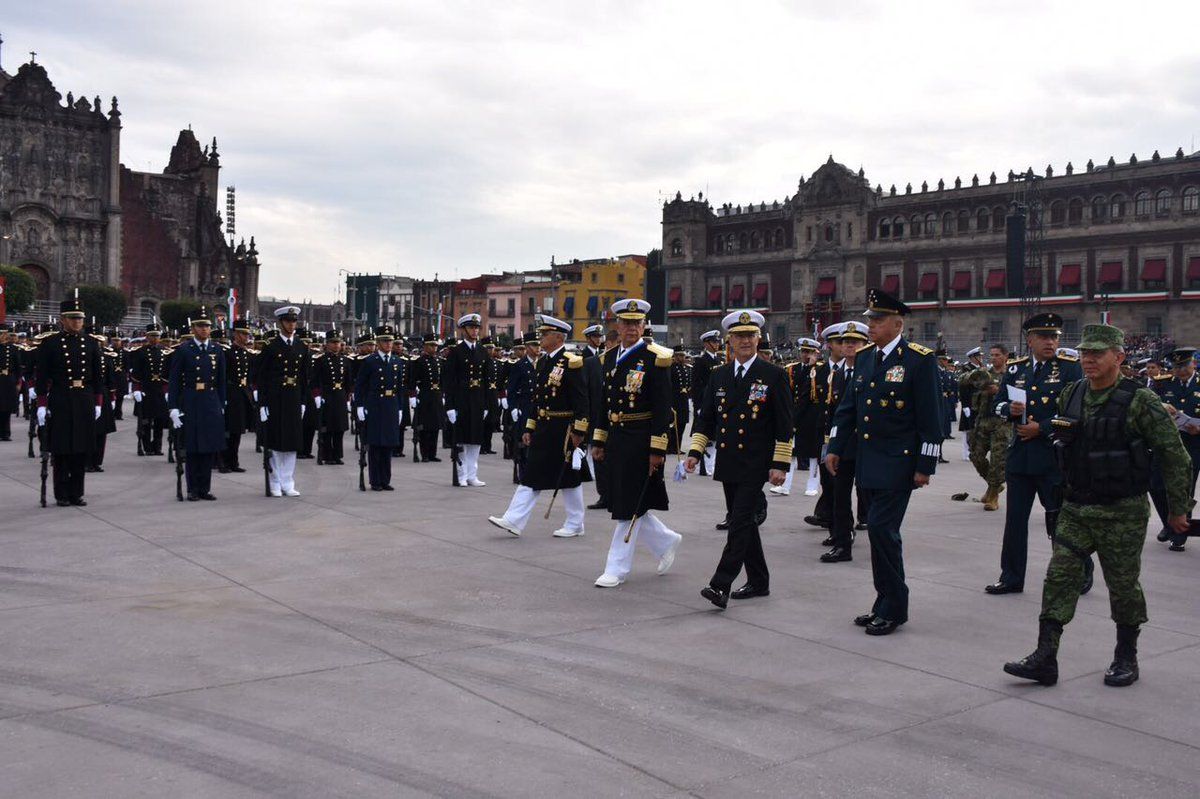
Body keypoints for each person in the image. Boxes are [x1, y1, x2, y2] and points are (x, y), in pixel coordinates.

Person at [1004, 324, 1194, 688]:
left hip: (1122, 510)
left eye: (1097, 354)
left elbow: (1174, 456)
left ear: (1119, 358)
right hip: (1076, 507)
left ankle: (1126, 655)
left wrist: (1178, 510)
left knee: (1122, 585)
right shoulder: (1072, 394)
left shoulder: (1141, 400)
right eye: (1085, 353)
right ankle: (1045, 657)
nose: (1088, 360)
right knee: (1058, 578)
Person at [826, 289, 943, 635]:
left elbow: (932, 420)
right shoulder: (863, 358)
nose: (871, 325)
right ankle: (883, 602)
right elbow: (848, 408)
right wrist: (835, 445)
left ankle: (894, 606)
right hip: (866, 462)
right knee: (880, 535)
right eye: (870, 320)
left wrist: (925, 466)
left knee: (881, 530)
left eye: (877, 320)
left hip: (899, 463)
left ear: (897, 323)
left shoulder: (918, 360)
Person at [687, 310, 792, 608]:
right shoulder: (719, 375)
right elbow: (706, 418)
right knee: (743, 523)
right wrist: (695, 451)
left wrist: (780, 463)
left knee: (739, 522)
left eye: (750, 335)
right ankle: (759, 581)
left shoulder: (774, 375)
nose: (745, 341)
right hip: (728, 461)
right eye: (739, 336)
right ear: (729, 340)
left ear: (758, 338)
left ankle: (720, 585)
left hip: (756, 463)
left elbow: (785, 424)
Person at [986, 314, 1091, 596]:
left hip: (1052, 458)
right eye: (1044, 337)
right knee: (1015, 522)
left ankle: (1079, 570)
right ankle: (1011, 577)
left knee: (1060, 520)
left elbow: (1075, 414)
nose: (1050, 342)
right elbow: (996, 405)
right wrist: (1009, 410)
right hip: (1020, 458)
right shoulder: (1016, 370)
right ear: (1029, 340)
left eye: (1054, 337)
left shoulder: (1070, 370)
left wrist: (1041, 428)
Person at [591, 299, 682, 587]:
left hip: (641, 439)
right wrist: (599, 439)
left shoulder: (657, 357)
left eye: (636, 323)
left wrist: (658, 449)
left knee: (628, 505)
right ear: (616, 325)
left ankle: (616, 568)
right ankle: (666, 541)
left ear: (644, 326)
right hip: (617, 438)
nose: (631, 328)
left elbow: (662, 407)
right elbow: (603, 405)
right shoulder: (608, 359)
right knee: (625, 499)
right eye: (626, 322)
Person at [489, 315, 591, 537]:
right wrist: (529, 427)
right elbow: (538, 399)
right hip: (545, 427)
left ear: (558, 337)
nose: (541, 338)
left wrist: (579, 430)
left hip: (563, 429)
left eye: (545, 334)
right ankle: (514, 519)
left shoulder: (571, 362)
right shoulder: (543, 362)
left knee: (568, 477)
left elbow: (581, 400)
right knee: (533, 473)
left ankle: (575, 523)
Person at [34, 295, 104, 506]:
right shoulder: (51, 343)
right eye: (72, 318)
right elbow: (42, 376)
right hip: (62, 398)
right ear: (62, 319)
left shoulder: (91, 343)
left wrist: (99, 402)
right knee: (62, 448)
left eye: (80, 318)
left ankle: (77, 492)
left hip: (83, 398)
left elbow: (97, 377)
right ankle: (61, 492)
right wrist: (41, 404)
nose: (77, 322)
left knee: (80, 449)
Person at [820, 321, 870, 563]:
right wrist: (832, 444)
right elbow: (834, 413)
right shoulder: (837, 375)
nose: (849, 345)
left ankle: (879, 538)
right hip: (843, 447)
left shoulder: (871, 371)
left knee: (869, 495)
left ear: (865, 345)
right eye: (845, 341)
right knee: (839, 496)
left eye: (856, 341)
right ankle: (842, 542)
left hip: (867, 446)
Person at [167, 309, 226, 501]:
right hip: (191, 400)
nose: (204, 329)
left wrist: (222, 403)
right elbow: (174, 380)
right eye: (201, 326)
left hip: (210, 400)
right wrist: (173, 407)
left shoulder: (217, 350)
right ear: (193, 328)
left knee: (208, 446)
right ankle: (192, 488)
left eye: (207, 326)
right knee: (193, 447)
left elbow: (221, 379)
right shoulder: (184, 350)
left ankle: (204, 488)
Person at [258, 306, 309, 497]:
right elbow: (262, 377)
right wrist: (262, 403)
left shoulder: (301, 347)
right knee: (277, 443)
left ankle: (288, 482)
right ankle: (275, 482)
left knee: (292, 443)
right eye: (288, 321)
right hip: (276, 398)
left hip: (293, 397)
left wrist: (303, 401)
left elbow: (305, 377)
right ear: (281, 323)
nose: (291, 325)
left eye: (294, 321)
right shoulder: (271, 347)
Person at [1152, 347, 1200, 551]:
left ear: (1194, 364)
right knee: (1156, 485)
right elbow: (1152, 407)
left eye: (1184, 366)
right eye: (1177, 366)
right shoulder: (1164, 384)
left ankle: (1180, 532)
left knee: (1185, 488)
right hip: (1169, 443)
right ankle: (1168, 523)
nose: (1180, 370)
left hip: (1195, 444)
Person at [353, 325, 406, 491]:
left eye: (391, 341)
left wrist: (400, 408)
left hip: (391, 405)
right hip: (375, 406)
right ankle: (375, 481)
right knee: (376, 445)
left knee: (388, 445)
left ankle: (385, 480)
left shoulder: (397, 362)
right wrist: (360, 406)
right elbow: (360, 386)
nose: (389, 344)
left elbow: (399, 387)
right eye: (385, 341)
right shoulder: (370, 361)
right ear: (378, 342)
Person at [444, 313, 494, 486]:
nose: (475, 331)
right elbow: (449, 381)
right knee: (462, 440)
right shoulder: (456, 352)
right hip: (461, 400)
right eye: (471, 328)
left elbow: (487, 380)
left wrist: (487, 403)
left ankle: (472, 474)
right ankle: (461, 474)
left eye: (477, 328)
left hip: (478, 400)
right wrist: (449, 406)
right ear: (464, 330)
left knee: (475, 440)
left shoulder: (482, 351)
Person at [962, 344, 1010, 511]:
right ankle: (993, 486)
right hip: (983, 420)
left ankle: (993, 496)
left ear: (1005, 356)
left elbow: (1019, 396)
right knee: (976, 456)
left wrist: (999, 391)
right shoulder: (985, 374)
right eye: (992, 355)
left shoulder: (1011, 374)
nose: (993, 358)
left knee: (998, 461)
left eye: (997, 355)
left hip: (1002, 423)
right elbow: (963, 380)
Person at [220, 317, 258, 473]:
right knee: (227, 431)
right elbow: (221, 376)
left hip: (243, 393)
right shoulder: (226, 353)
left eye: (247, 334)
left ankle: (233, 462)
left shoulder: (247, 354)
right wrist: (223, 397)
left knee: (237, 430)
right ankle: (223, 462)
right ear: (235, 334)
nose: (246, 337)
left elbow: (250, 376)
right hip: (231, 392)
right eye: (242, 334)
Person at [312, 329, 351, 465]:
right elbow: (314, 380)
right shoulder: (320, 360)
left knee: (339, 428)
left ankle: (337, 454)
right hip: (327, 395)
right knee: (327, 428)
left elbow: (348, 381)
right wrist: (317, 396)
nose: (336, 345)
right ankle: (327, 455)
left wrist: (348, 398)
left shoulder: (345, 361)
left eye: (338, 342)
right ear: (327, 344)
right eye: (333, 342)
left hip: (340, 395)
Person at [131, 322, 170, 456]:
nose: (155, 338)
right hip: (146, 390)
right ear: (147, 336)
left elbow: (166, 374)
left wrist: (167, 391)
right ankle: (146, 446)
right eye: (152, 336)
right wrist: (136, 389)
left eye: (157, 336)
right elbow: (135, 373)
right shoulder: (140, 352)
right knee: (146, 421)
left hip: (159, 390)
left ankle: (157, 447)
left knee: (159, 421)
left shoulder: (164, 352)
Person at [690, 329, 723, 474]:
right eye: (713, 342)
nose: (716, 344)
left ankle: (711, 465)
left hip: (716, 403)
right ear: (706, 343)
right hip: (705, 402)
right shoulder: (701, 361)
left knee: (714, 435)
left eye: (717, 342)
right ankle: (704, 466)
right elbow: (697, 386)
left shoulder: (718, 360)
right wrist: (698, 405)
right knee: (705, 435)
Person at [411, 333, 446, 462]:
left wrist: (443, 394)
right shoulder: (419, 361)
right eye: (431, 345)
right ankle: (425, 454)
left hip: (436, 396)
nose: (434, 348)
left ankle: (432, 453)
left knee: (435, 427)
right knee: (425, 428)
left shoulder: (439, 361)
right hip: (425, 396)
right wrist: (413, 396)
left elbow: (442, 380)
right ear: (425, 346)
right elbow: (413, 380)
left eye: (435, 345)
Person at [669, 345, 692, 454]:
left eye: (683, 355)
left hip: (683, 399)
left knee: (682, 423)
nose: (682, 358)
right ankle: (671, 447)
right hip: (674, 399)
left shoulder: (686, 368)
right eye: (680, 356)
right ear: (676, 356)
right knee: (673, 425)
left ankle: (678, 446)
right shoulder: (671, 368)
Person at [0, 325, 19, 441]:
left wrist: (17, 381)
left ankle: (6, 432)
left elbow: (18, 366)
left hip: (8, 379)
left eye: (4, 334)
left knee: (6, 407)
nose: (3, 336)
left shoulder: (12, 348)